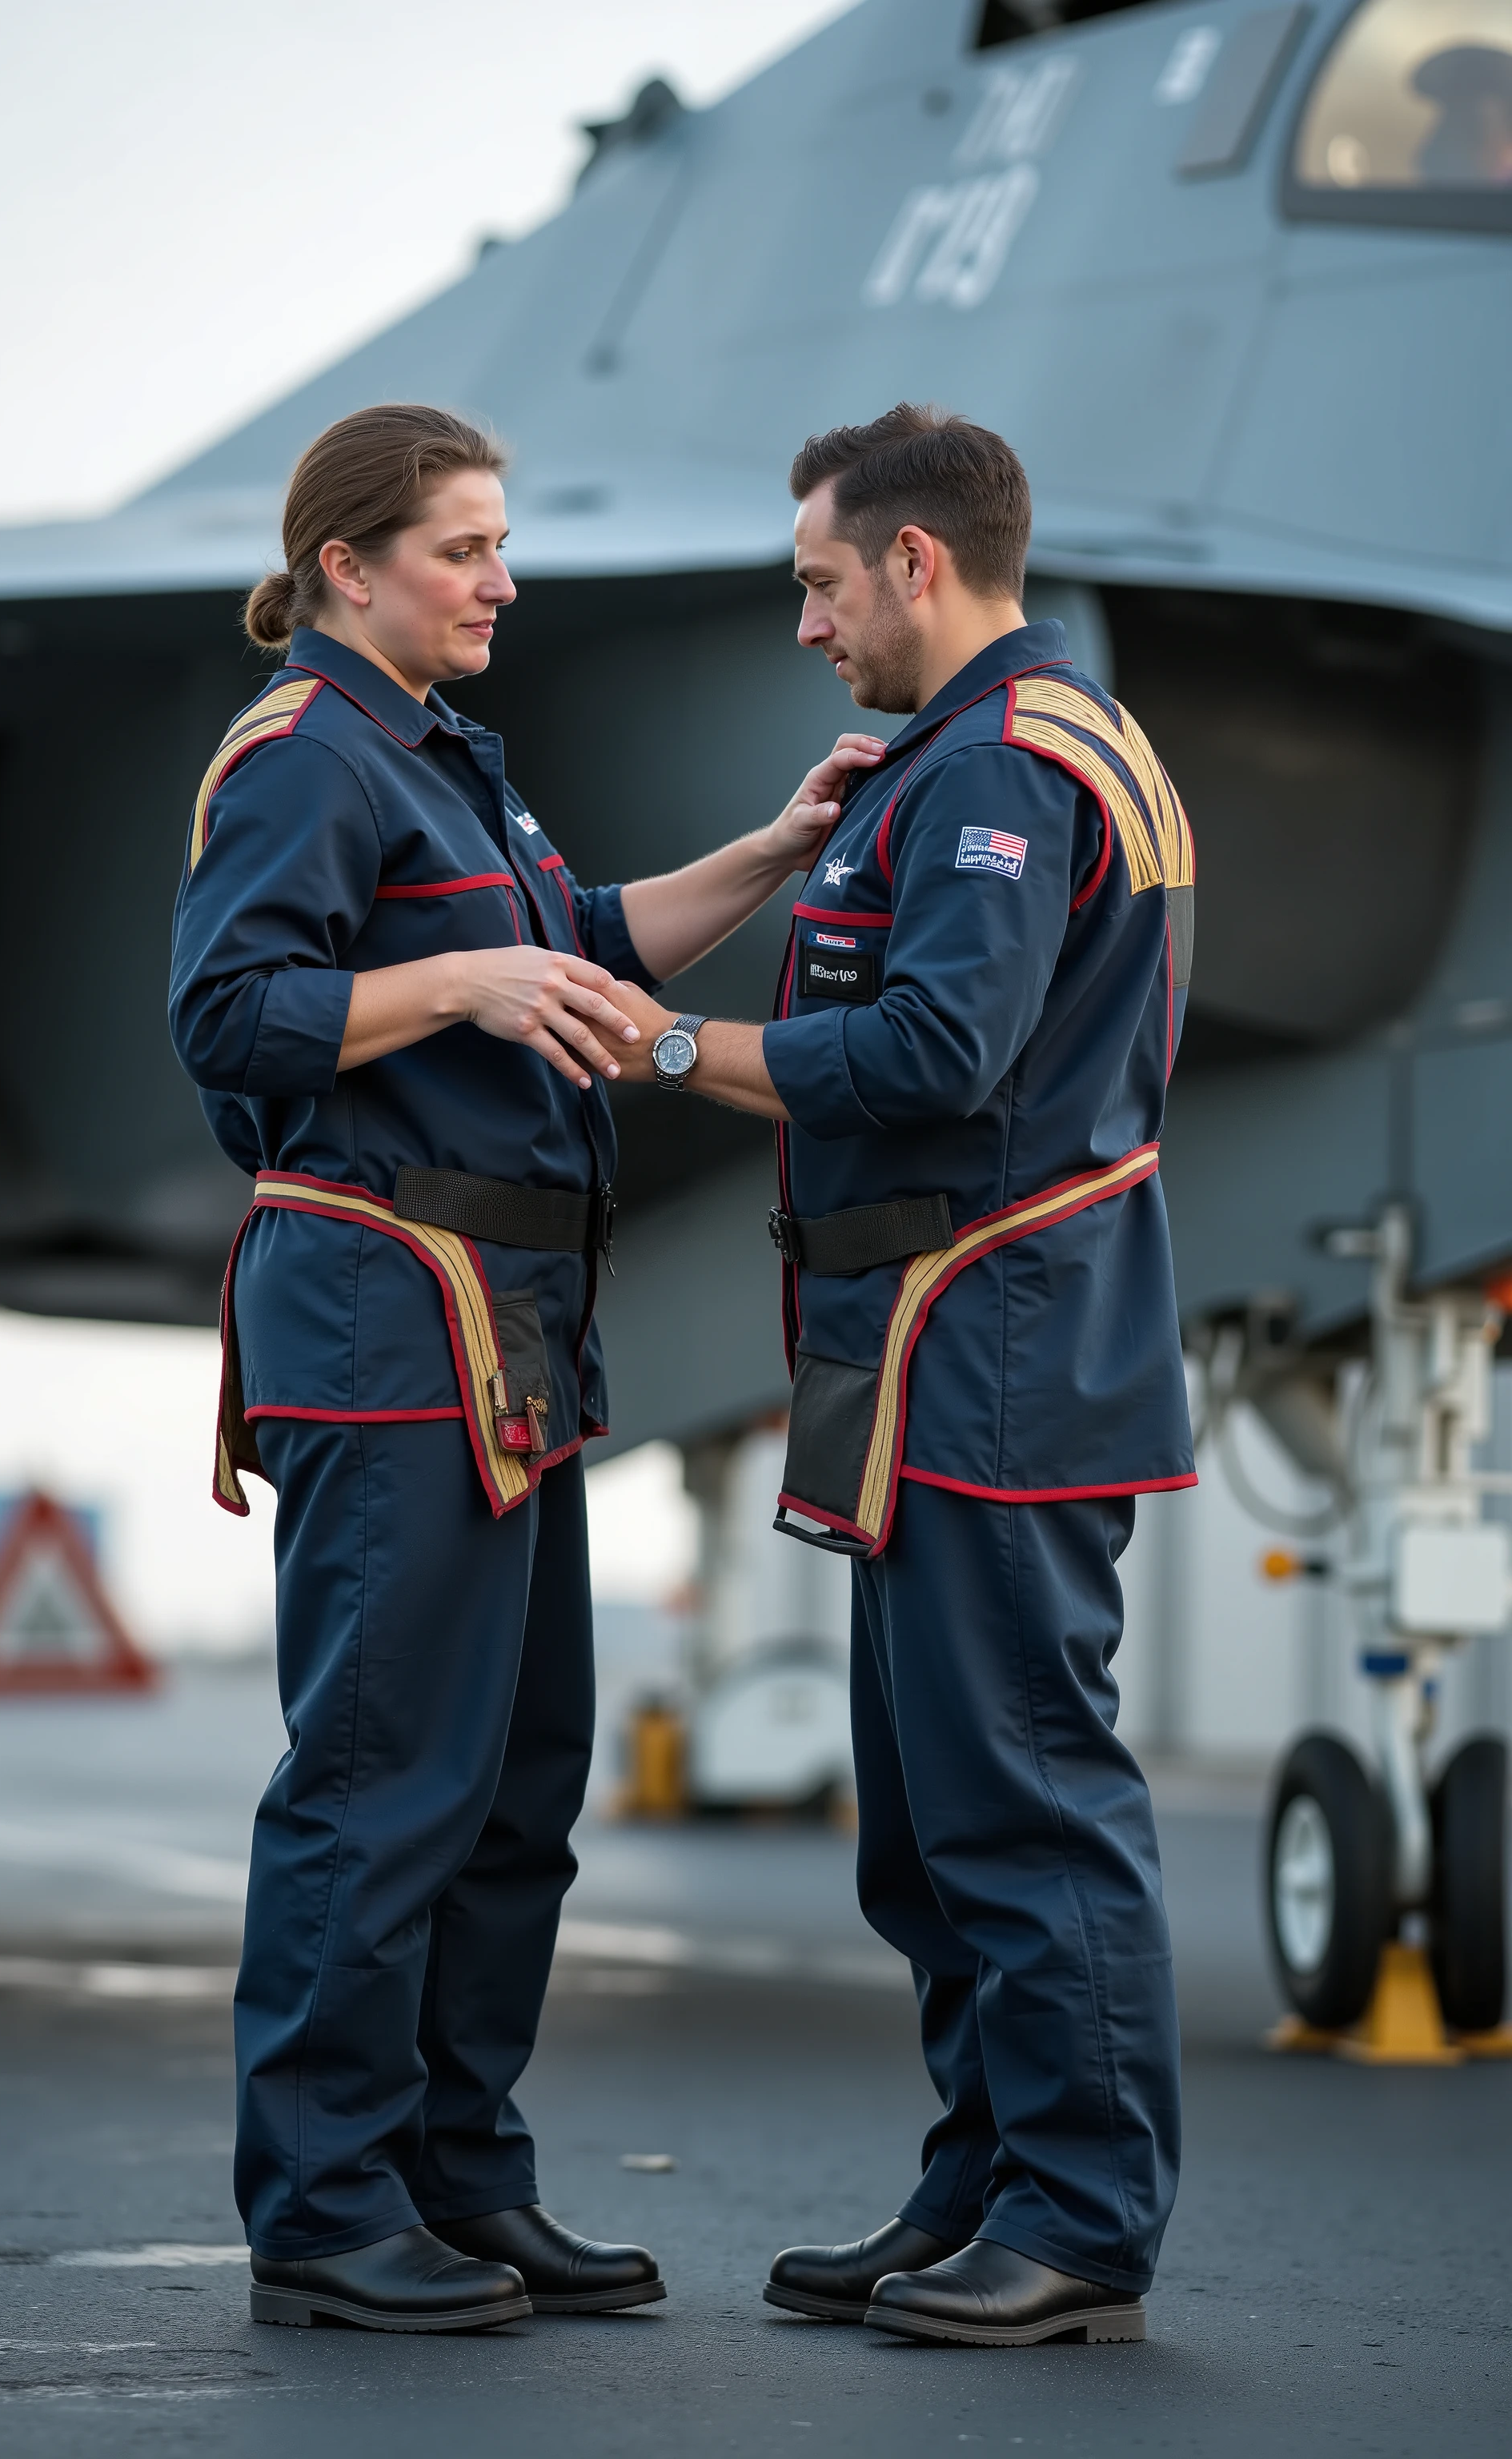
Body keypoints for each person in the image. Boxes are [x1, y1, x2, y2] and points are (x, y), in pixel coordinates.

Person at [167, 403, 883, 2334]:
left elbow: (585, 954)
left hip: (508, 1336)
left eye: (499, 545)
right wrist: (462, 985)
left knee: (511, 1790)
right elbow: (231, 1019)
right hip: (390, 1312)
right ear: (348, 565)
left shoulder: (444, 760)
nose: (502, 580)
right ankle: (325, 2208)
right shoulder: (306, 756)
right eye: (464, 548)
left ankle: (460, 2185)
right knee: (381, 1778)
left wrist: (775, 846)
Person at [596, 405, 1193, 2349]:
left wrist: (675, 1052)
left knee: (1019, 1797)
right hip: (921, 1345)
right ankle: (983, 2184)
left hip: (991, 1342)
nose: (804, 623)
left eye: (821, 582)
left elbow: (942, 1054)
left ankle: (1083, 2219)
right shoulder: (981, 751)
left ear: (917, 563)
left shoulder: (1008, 767)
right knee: (930, 1824)